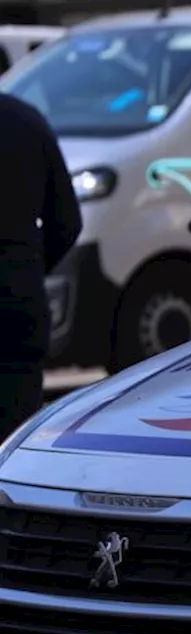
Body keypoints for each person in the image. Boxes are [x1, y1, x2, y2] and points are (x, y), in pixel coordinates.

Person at [0, 92, 81, 436]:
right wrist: (28, 267)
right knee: (15, 445)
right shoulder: (28, 120)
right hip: (20, 305)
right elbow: (67, 222)